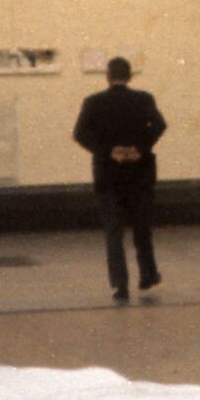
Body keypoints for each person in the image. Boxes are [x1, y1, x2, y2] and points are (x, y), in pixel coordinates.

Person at [72, 56, 167, 302]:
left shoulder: (93, 102)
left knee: (113, 232)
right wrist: (139, 148)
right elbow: (160, 125)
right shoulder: (144, 99)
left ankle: (119, 285)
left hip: (108, 174)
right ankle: (147, 274)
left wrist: (108, 151)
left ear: (107, 76)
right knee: (142, 228)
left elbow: (80, 133)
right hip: (140, 173)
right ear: (130, 76)